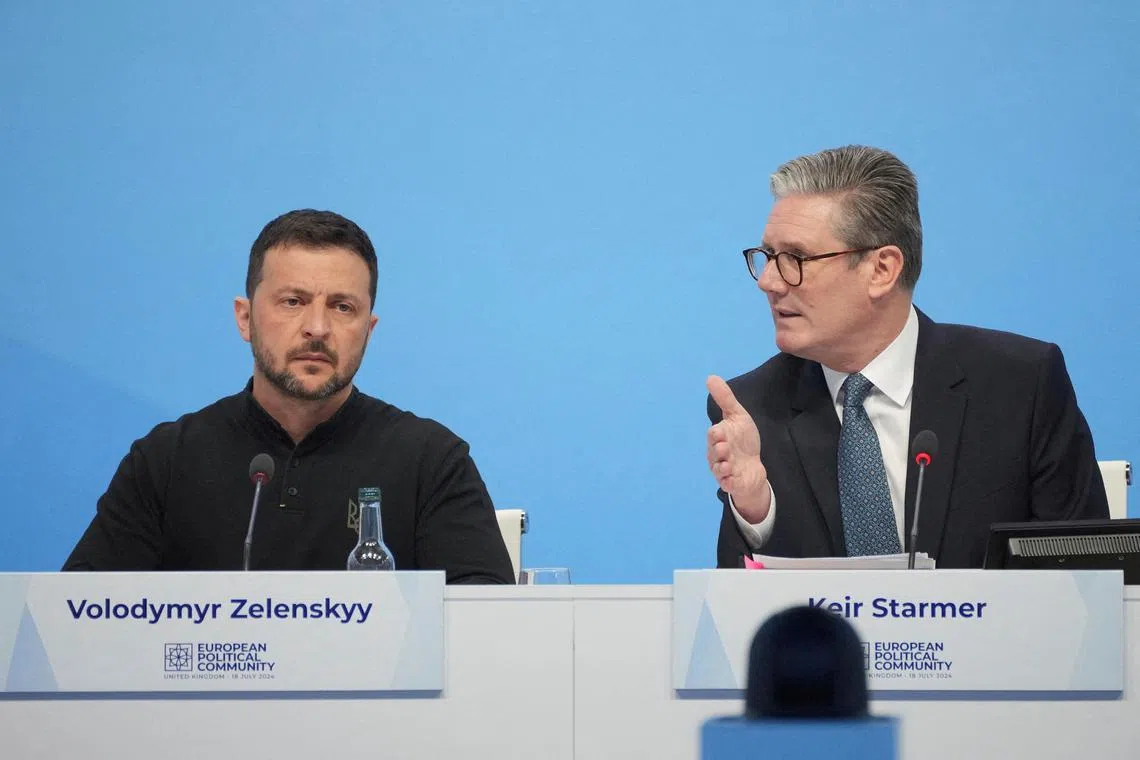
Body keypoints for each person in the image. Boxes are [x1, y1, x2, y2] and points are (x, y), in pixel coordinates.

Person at [706, 146, 1107, 569]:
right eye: (767, 256)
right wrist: (754, 509)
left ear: (882, 269)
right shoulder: (752, 409)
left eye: (795, 259)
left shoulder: (1021, 386)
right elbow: (743, 618)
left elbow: (1087, 581)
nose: (768, 281)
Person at [64, 209, 515, 584]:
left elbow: (490, 634)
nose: (317, 328)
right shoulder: (166, 460)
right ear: (245, 319)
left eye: (343, 307)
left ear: (368, 330)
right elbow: (74, 625)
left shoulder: (432, 462)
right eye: (293, 301)